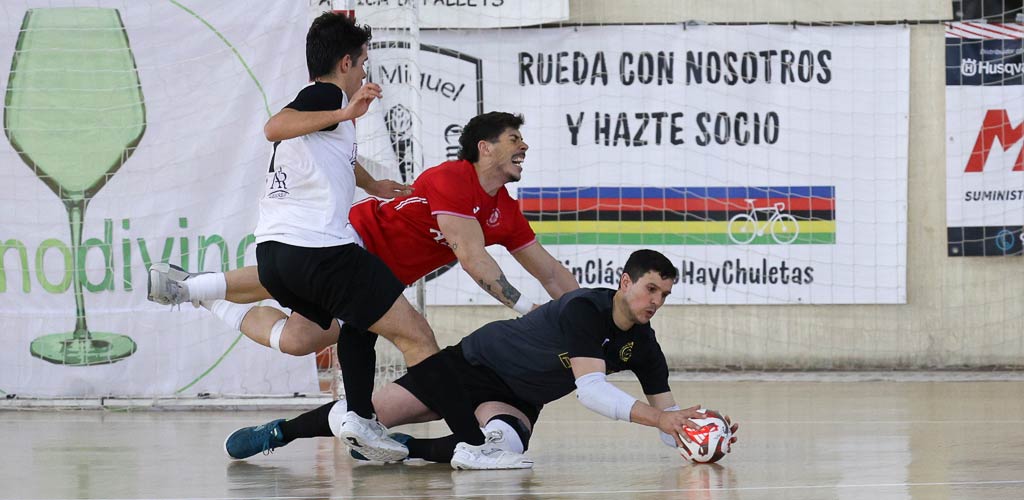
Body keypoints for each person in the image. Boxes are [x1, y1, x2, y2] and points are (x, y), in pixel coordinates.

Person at [212, 11, 513, 469]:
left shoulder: (329, 117)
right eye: (364, 63)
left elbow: (333, 155)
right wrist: (343, 111)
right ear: (347, 63)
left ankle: (207, 300)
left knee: (317, 335)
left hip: (293, 256)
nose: (365, 74)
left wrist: (373, 184)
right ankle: (470, 444)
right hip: (333, 252)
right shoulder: (329, 97)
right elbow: (273, 127)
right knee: (416, 338)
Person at [221, 249, 740, 468]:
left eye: (664, 295)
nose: (655, 302)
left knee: (501, 452)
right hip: (469, 366)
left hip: (514, 400)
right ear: (626, 282)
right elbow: (592, 391)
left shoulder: (644, 346)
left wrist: (697, 433)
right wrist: (664, 418)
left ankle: (405, 451)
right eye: (650, 289)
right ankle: (279, 434)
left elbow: (664, 415)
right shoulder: (587, 308)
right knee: (356, 417)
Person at [148, 112, 578, 358]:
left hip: (381, 281)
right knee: (282, 279)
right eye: (514, 139)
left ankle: (205, 299)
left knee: (298, 341)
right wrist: (526, 308)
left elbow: (551, 272)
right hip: (356, 240)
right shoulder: (453, 177)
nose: (524, 147)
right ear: (485, 147)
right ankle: (185, 287)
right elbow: (471, 255)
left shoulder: (507, 212)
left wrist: (588, 313)